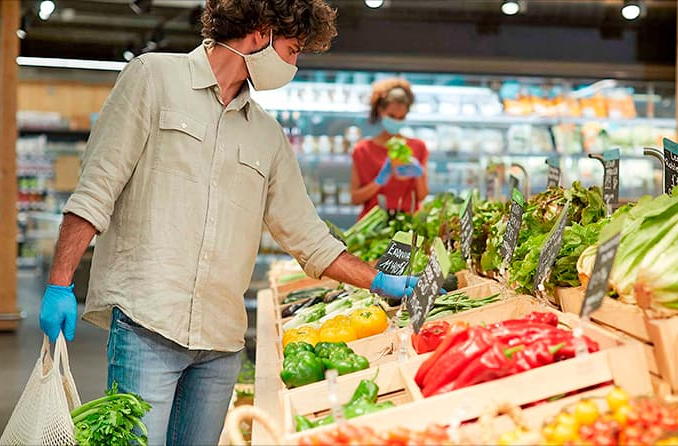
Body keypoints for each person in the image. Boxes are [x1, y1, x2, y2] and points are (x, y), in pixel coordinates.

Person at [37, 1, 417, 444]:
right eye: (293, 51)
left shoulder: (267, 135)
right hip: (147, 325)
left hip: (220, 342)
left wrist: (378, 281)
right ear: (261, 34)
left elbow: (307, 236)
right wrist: (60, 283)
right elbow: (96, 189)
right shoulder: (152, 78)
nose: (293, 65)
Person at [350, 78, 429, 220]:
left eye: (402, 117)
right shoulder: (362, 150)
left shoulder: (418, 148)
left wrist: (419, 176)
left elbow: (421, 196)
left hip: (408, 224)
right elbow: (355, 198)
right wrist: (379, 181)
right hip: (373, 225)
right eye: (392, 116)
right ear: (381, 110)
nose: (396, 121)